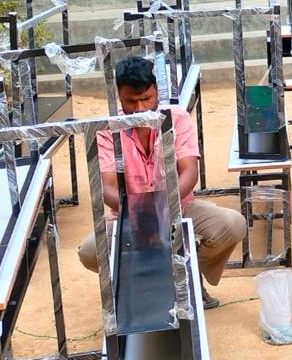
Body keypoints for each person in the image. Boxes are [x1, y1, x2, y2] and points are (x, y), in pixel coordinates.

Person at [77, 56, 245, 309]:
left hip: (177, 205)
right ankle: (149, 282)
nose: (141, 108)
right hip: (129, 213)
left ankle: (187, 274)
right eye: (131, 102)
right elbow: (107, 187)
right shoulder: (107, 130)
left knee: (232, 225)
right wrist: (137, 212)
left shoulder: (175, 118)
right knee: (90, 252)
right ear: (118, 98)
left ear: (156, 91)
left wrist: (162, 208)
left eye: (147, 98)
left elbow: (189, 171)